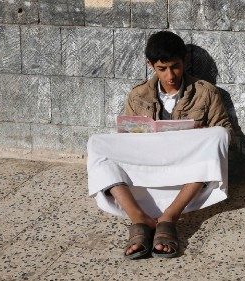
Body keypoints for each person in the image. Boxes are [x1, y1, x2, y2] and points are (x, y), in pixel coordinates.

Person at [87, 31, 232, 259]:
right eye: (162, 69)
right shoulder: (138, 95)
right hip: (149, 163)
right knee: (96, 143)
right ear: (151, 65)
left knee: (219, 136)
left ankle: (169, 217)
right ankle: (139, 218)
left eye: (175, 67)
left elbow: (226, 134)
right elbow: (126, 140)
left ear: (184, 61)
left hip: (188, 170)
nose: (170, 75)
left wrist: (201, 134)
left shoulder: (205, 93)